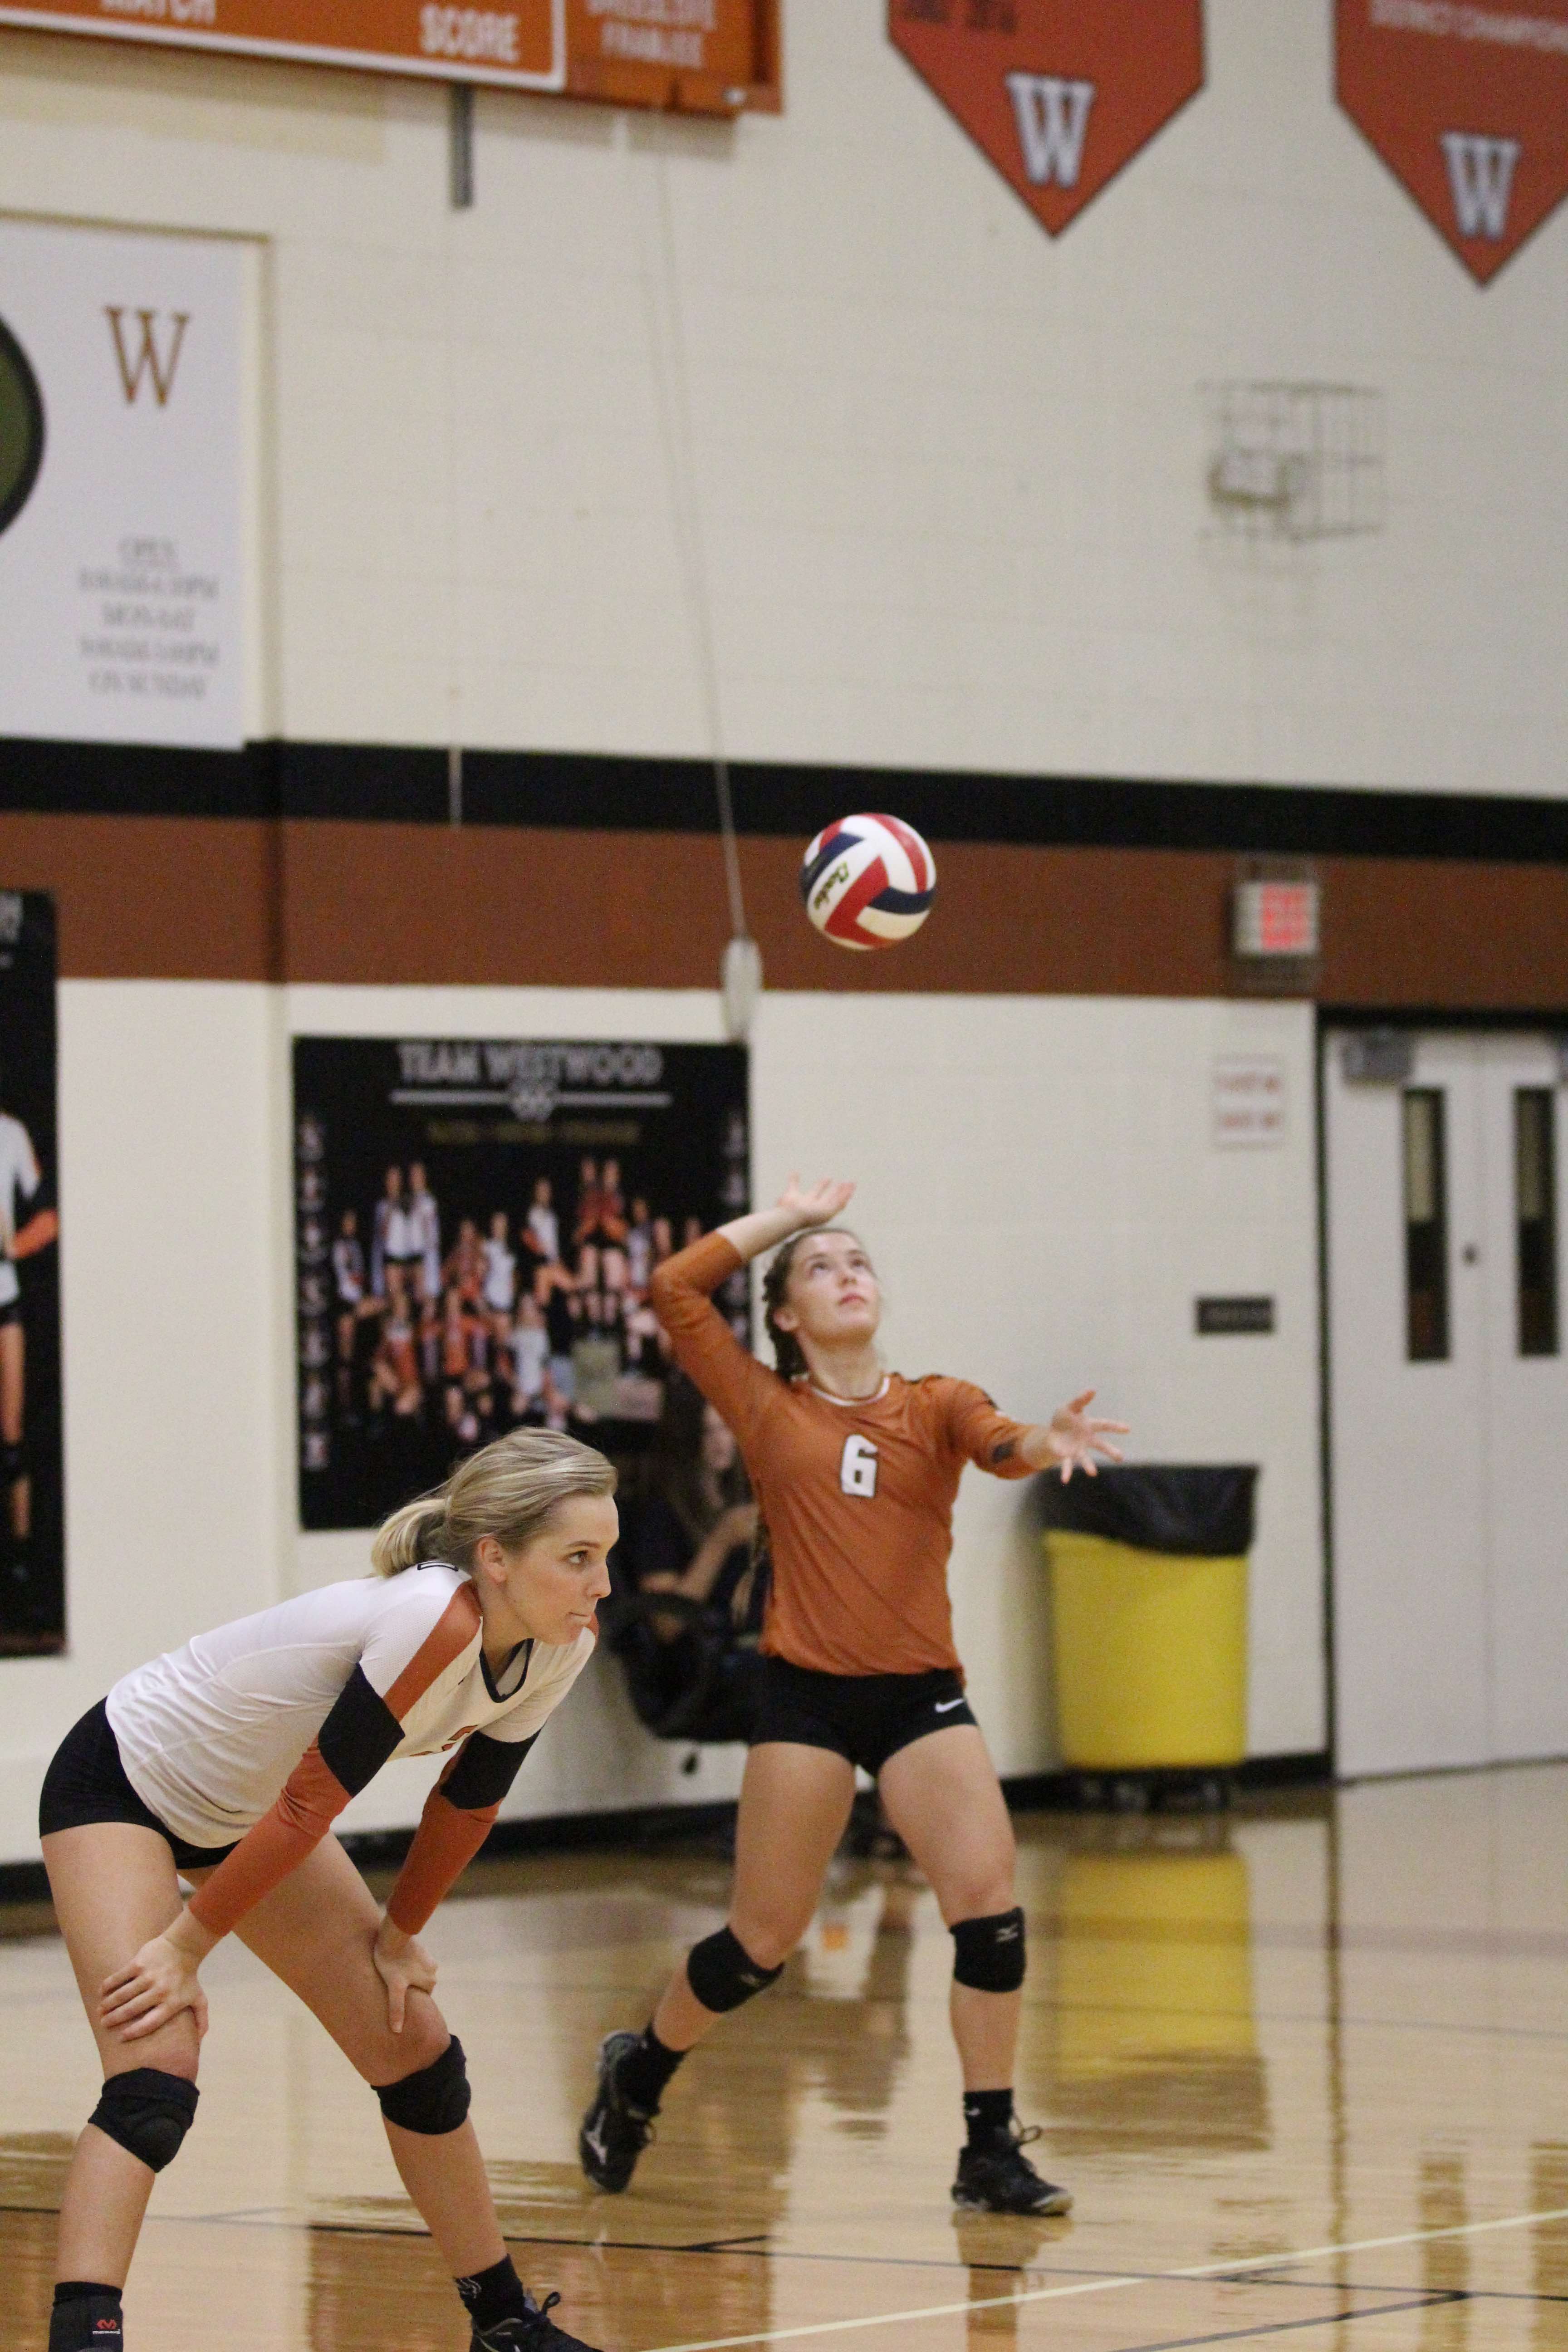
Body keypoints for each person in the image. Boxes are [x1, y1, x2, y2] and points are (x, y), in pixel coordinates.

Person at [579, 1176, 1126, 2218]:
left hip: (920, 1695)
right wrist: (784, 1220)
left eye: (857, 1259)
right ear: (785, 1312)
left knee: (990, 1915)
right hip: (806, 1699)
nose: (846, 1273)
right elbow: (673, 1285)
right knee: (758, 1944)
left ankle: (986, 2149)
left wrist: (1045, 1443)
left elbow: (1002, 1444)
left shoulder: (934, 1401)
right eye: (820, 1267)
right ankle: (640, 2069)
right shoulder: (763, 1402)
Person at [37, 1429, 618, 2352]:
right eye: (578, 1559)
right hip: (123, 1781)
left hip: (252, 1812)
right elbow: (312, 1805)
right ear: (495, 1557)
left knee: (417, 2049)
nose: (601, 1586)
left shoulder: (560, 1646)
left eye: (605, 1558)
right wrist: (185, 1950)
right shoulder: (436, 1617)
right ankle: (85, 2334)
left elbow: (466, 1804)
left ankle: (504, 2327)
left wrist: (399, 1936)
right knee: (156, 2075)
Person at [0, 1075, 58, 1565]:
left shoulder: (11, 1134)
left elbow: (49, 1215)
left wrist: (15, 1246)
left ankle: (19, 1554)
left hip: (5, 1301)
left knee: (11, 1431)